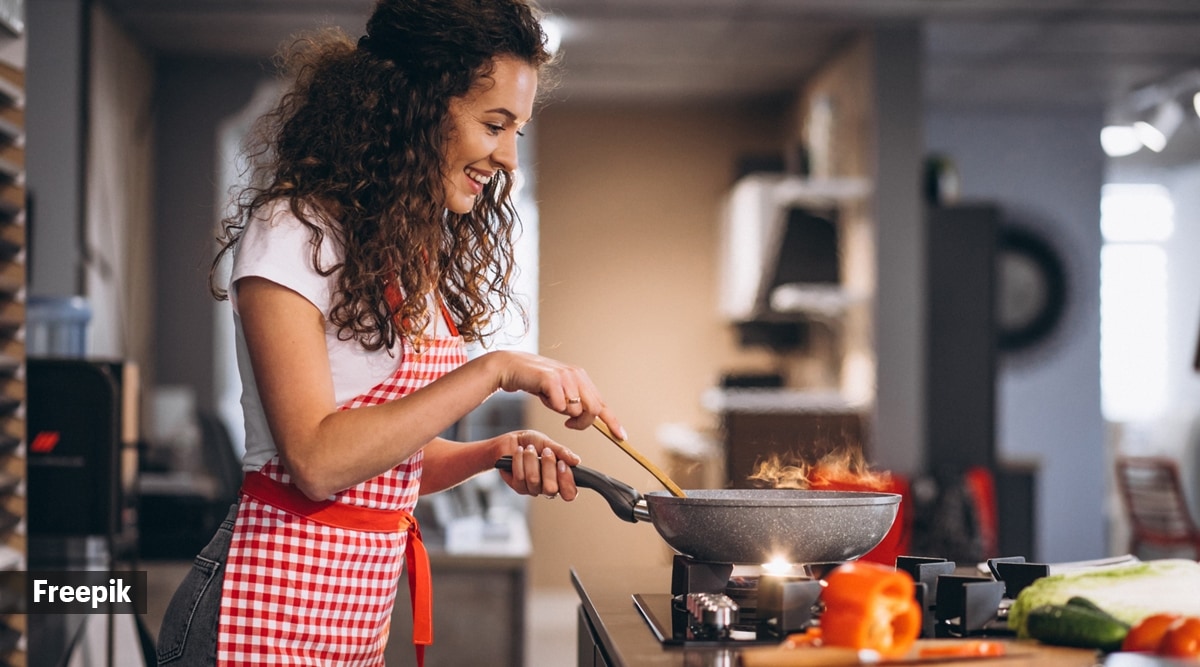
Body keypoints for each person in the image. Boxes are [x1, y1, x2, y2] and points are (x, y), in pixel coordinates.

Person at [155, 0, 624, 664]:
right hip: (257, 613)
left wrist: (493, 451)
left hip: (348, 624)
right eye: (494, 124)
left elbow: (384, 461)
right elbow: (317, 462)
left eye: (517, 130)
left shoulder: (401, 251)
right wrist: (494, 369)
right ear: (417, 105)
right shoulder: (294, 232)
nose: (509, 157)